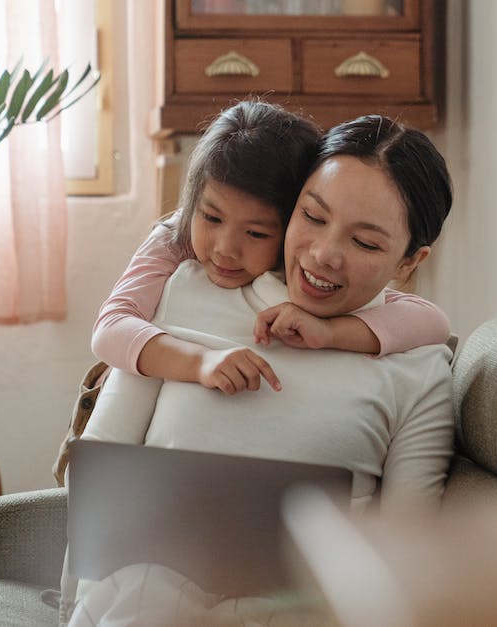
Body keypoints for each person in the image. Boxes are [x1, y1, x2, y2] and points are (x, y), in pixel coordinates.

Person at [65, 114, 456, 625]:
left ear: (409, 261)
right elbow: (100, 477)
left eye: (364, 243)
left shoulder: (420, 366)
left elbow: (407, 554)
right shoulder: (183, 290)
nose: (323, 254)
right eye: (313, 217)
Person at [91, 100, 450, 396]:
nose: (226, 249)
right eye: (212, 218)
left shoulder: (303, 253)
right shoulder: (177, 235)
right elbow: (110, 328)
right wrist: (200, 362)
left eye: (257, 234)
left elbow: (432, 321)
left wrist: (331, 333)